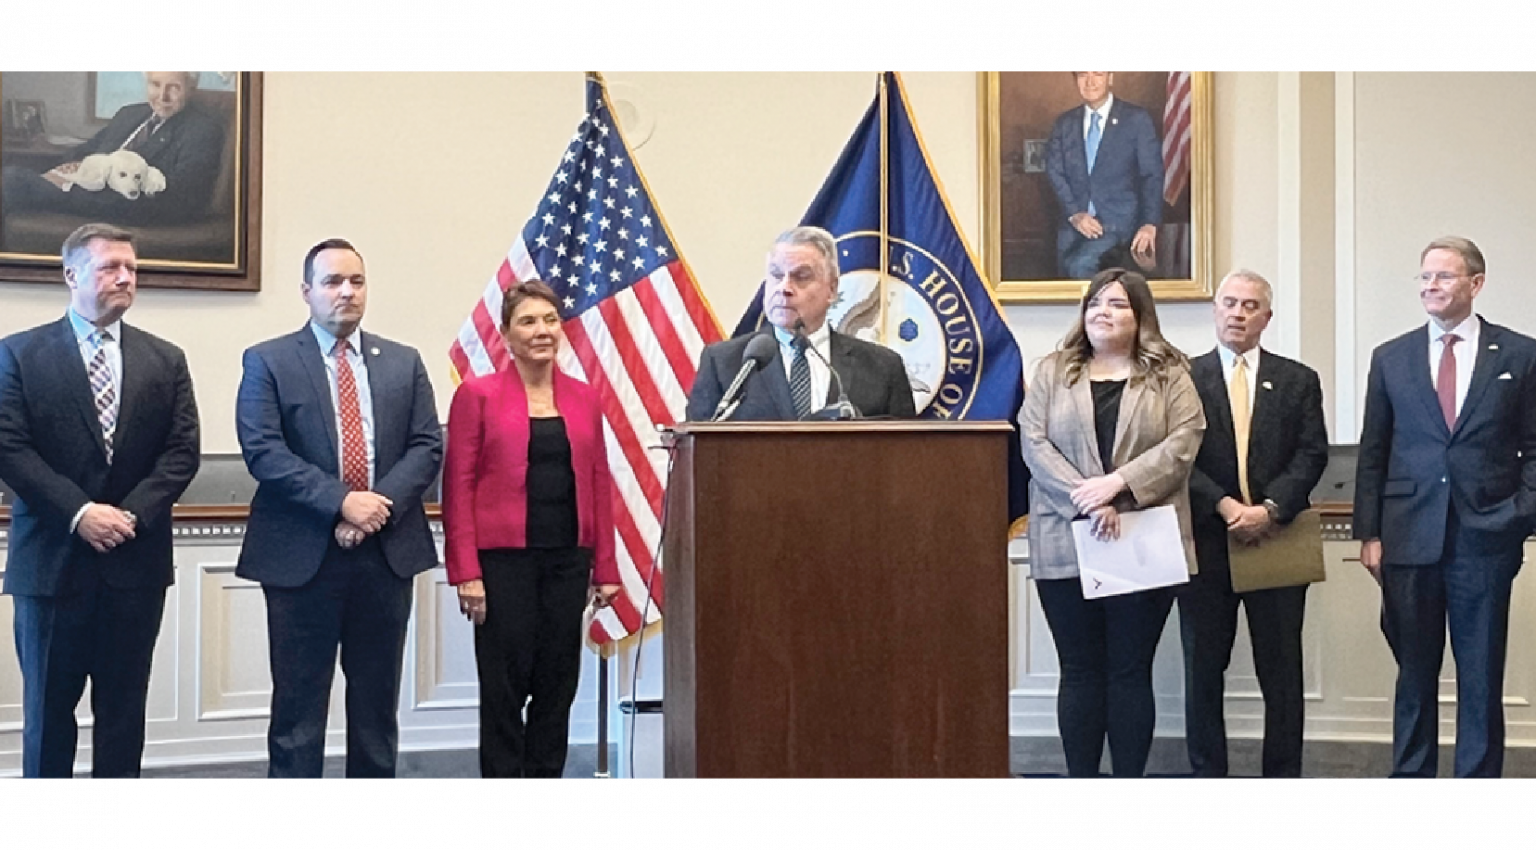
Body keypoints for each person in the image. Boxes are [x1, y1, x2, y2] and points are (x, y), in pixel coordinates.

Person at [235, 238, 443, 780]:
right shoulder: (268, 361)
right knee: (298, 710)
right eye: (332, 282)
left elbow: (427, 446)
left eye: (356, 281)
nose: (346, 292)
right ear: (307, 292)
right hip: (301, 557)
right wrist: (342, 503)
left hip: (385, 554)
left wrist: (375, 510)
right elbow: (263, 451)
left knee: (376, 708)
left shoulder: (404, 362)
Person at [0, 223, 201, 779]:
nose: (125, 277)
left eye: (131, 268)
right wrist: (80, 513)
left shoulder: (166, 359)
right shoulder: (18, 354)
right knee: (47, 715)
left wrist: (128, 515)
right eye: (110, 266)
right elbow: (9, 448)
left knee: (123, 715)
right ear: (71, 275)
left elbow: (182, 453)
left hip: (134, 565)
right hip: (51, 565)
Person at [1355, 237, 1536, 780]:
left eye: (1444, 276)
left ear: (1476, 283)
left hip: (1486, 538)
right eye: (1425, 276)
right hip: (1408, 537)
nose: (1431, 286)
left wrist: (1518, 515)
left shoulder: (1521, 354)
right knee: (1414, 672)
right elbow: (1374, 450)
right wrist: (1369, 534)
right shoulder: (1391, 357)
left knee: (1481, 674)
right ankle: (1412, 772)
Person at [1021, 268, 1205, 779]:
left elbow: (1185, 441)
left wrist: (1118, 485)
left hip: (1141, 535)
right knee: (1079, 670)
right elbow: (1033, 442)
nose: (1103, 312)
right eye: (1096, 302)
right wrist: (1086, 498)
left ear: (1141, 316)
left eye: (1118, 304)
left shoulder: (1171, 374)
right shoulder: (1053, 370)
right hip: (1065, 535)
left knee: (1129, 671)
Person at [443, 281, 623, 780]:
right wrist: (466, 572)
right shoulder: (477, 395)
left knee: (556, 688)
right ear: (505, 335)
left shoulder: (584, 397)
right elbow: (457, 487)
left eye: (550, 320)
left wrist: (605, 568)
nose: (542, 330)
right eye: (527, 321)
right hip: (502, 566)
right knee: (503, 692)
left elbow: (598, 481)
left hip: (568, 561)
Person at [1181, 270, 1330, 780]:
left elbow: (1312, 454)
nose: (1238, 314)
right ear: (1215, 310)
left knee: (1281, 672)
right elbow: (1176, 457)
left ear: (1267, 317)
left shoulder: (1298, 379)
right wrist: (1224, 506)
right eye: (1229, 303)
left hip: (1277, 536)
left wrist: (1269, 509)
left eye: (1250, 306)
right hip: (1206, 540)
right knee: (1203, 670)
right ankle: (1207, 771)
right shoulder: (1183, 378)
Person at [686, 227, 917, 422]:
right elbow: (698, 450)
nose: (784, 288)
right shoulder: (724, 363)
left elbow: (906, 454)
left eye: (801, 277)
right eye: (776, 275)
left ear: (832, 289)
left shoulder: (883, 368)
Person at [1, 71, 224, 225]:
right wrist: (68, 167)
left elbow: (182, 197)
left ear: (191, 88)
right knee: (13, 179)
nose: (162, 96)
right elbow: (86, 150)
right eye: (155, 84)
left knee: (12, 180)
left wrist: (75, 188)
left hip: (123, 207)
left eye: (174, 88)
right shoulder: (130, 114)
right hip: (83, 188)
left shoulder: (202, 130)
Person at [1044, 71, 1165, 280]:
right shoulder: (1064, 123)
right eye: (1083, 75)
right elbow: (1055, 171)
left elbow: (1151, 175)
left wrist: (1149, 223)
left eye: (1098, 74)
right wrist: (1075, 214)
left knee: (1081, 267)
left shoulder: (1135, 119)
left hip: (1118, 227)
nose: (1090, 82)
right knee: (1064, 285)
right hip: (1072, 229)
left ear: (1110, 78)